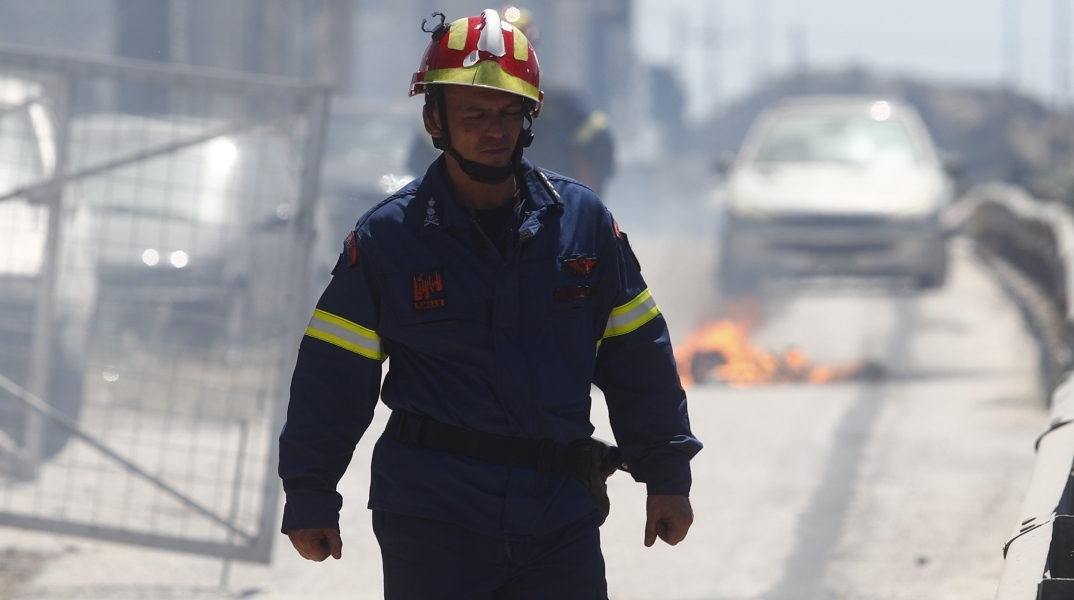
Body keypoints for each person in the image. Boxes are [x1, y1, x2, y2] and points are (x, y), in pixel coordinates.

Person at [278, 9, 701, 598]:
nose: (494, 130)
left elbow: (639, 359)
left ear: (530, 119)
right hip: (433, 522)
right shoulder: (388, 239)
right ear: (435, 120)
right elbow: (333, 375)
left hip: (559, 520)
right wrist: (310, 489)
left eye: (508, 113)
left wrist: (666, 474)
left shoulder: (582, 225)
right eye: (474, 114)